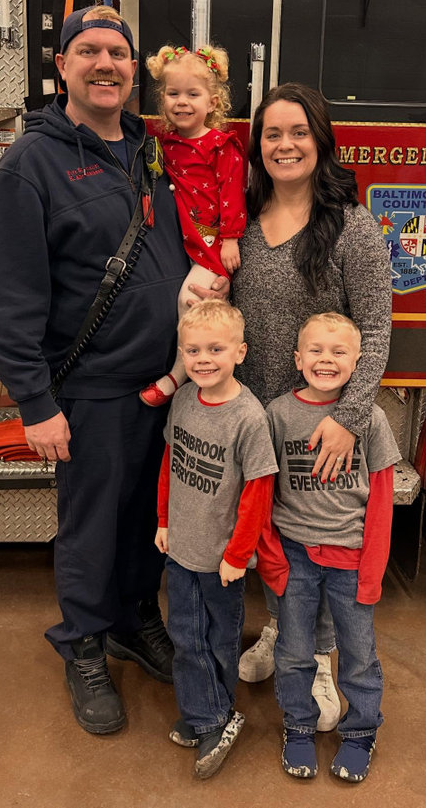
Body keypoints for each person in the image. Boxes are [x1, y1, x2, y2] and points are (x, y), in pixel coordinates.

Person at [0, 5, 195, 735]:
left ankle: (133, 619)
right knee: (91, 528)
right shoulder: (29, 166)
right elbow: (9, 297)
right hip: (91, 389)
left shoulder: (150, 149)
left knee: (146, 517)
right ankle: (83, 643)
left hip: (166, 385)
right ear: (63, 66)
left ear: (134, 70)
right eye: (90, 51)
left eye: (119, 54)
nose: (106, 64)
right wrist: (36, 403)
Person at [230, 83, 393, 727]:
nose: (285, 145)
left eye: (299, 132)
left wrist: (347, 420)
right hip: (258, 420)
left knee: (318, 541)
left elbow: (375, 329)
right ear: (258, 146)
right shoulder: (241, 223)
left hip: (321, 426)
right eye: (272, 134)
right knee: (274, 533)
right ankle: (282, 631)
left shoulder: (353, 227)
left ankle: (320, 658)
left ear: (321, 142)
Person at [267, 312, 400, 782]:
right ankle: (298, 726)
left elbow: (382, 499)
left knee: (359, 655)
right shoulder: (278, 414)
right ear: (297, 359)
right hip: (294, 556)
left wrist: (372, 570)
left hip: (351, 560)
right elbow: (263, 489)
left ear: (358, 362)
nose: (326, 360)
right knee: (293, 651)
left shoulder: (371, 419)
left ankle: (361, 733)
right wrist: (271, 556)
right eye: (316, 351)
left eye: (339, 352)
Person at [154, 300, 279, 778]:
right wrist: (164, 521)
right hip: (181, 550)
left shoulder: (249, 417)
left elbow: (258, 493)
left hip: (222, 559)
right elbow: (170, 463)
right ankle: (206, 715)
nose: (203, 359)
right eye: (192, 351)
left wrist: (238, 554)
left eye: (215, 349)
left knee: (219, 639)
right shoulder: (184, 400)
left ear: (239, 352)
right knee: (186, 636)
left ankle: (216, 713)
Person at [139, 44, 246, 407]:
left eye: (192, 94)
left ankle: (178, 374)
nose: (181, 102)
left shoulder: (221, 145)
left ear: (212, 103)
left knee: (189, 299)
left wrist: (230, 239)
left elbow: (232, 192)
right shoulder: (163, 143)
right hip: (175, 239)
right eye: (173, 94)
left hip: (208, 241)